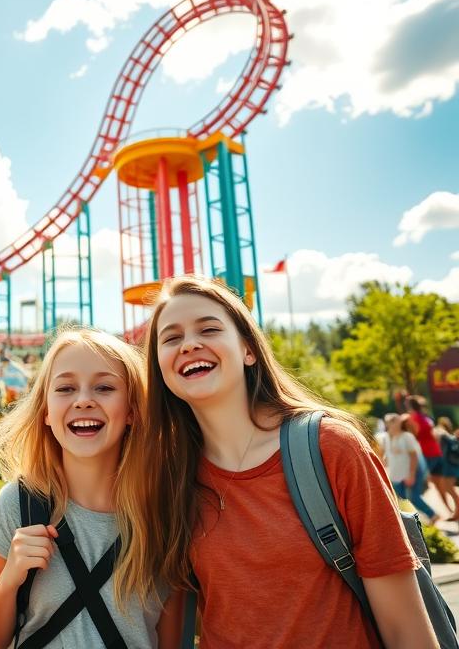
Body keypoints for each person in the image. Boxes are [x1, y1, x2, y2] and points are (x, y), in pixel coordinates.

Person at [133, 275, 437, 648]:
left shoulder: (331, 448)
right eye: (171, 337)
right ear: (160, 368)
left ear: (249, 350)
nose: (190, 344)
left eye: (208, 329)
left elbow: (407, 630)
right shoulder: (170, 477)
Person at [0, 328, 182, 648]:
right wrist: (11, 577)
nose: (83, 400)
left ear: (132, 411)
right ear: (45, 411)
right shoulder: (21, 503)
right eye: (66, 388)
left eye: (104, 387)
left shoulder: (164, 515)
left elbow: (173, 639)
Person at [378, 413, 439, 523]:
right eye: (390, 421)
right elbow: (383, 454)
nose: (393, 423)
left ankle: (432, 515)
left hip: (412, 471)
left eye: (395, 421)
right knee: (401, 497)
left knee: (413, 496)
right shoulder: (385, 437)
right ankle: (414, 518)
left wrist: (411, 474)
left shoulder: (407, 437)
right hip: (396, 474)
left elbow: (414, 456)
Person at [407, 395, 459, 518]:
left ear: (409, 406)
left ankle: (436, 514)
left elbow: (413, 436)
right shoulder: (426, 417)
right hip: (437, 453)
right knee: (443, 485)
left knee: (415, 489)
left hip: (426, 455)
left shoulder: (413, 418)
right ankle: (451, 512)